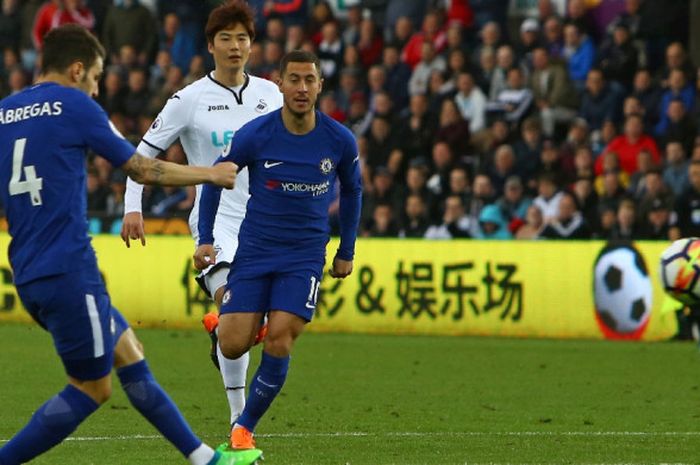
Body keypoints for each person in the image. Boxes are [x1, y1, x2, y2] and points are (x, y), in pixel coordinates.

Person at [0, 24, 259, 465]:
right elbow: (143, 169)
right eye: (97, 77)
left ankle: (203, 458)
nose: (98, 89)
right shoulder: (74, 104)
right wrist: (210, 174)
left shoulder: (4, 112)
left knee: (129, 352)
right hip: (67, 268)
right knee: (92, 387)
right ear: (78, 69)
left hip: (28, 269)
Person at [120, 0, 283, 432]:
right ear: (210, 45)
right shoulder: (188, 99)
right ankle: (238, 425)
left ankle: (222, 335)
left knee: (247, 327)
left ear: (252, 45)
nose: (235, 46)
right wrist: (132, 207)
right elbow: (142, 155)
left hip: (268, 226)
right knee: (236, 312)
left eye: (242, 38)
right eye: (225, 38)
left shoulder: (272, 94)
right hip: (216, 225)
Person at [193, 50, 362, 453]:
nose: (302, 88)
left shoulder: (338, 139)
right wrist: (205, 237)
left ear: (320, 86)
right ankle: (226, 328)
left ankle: (244, 428)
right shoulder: (257, 134)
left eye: (310, 80)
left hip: (303, 257)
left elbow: (354, 190)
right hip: (254, 252)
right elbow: (218, 179)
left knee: (281, 339)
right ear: (281, 84)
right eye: (295, 80)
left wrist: (346, 249)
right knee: (233, 346)